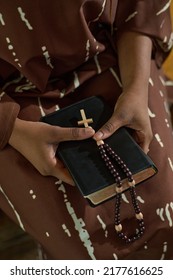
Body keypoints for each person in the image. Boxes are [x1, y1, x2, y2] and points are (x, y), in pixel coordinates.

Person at [0, 0, 173, 260]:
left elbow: (140, 8)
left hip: (115, 56)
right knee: (82, 246)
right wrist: (11, 128)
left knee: (164, 212)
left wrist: (136, 90)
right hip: (11, 100)